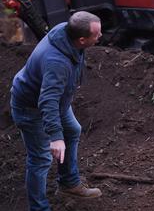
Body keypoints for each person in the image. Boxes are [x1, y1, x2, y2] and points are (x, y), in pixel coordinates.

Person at [10, 11, 103, 210]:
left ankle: (69, 183)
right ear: (81, 39)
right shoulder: (57, 62)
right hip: (31, 108)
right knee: (41, 158)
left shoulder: (65, 31)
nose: (100, 37)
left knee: (72, 130)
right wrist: (55, 136)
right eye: (97, 35)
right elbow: (47, 100)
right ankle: (39, 208)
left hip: (55, 101)